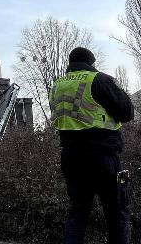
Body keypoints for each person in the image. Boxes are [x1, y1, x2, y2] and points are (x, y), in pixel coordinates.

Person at [49, 47, 134, 244]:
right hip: (103, 155)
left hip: (70, 157)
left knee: (78, 212)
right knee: (117, 211)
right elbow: (127, 112)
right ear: (91, 62)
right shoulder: (98, 79)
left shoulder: (57, 85)